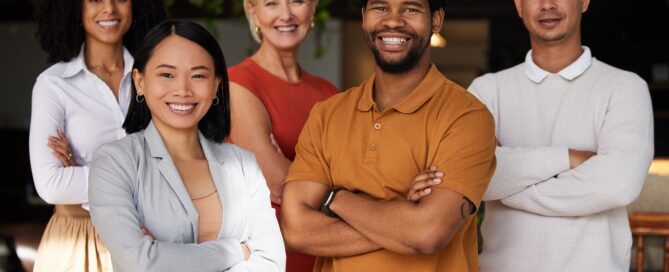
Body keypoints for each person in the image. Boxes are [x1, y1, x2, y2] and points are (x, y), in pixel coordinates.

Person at [280, 0, 497, 270]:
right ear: (363, 17)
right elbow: (297, 230)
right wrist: (403, 217)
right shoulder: (327, 114)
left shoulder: (466, 116)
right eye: (381, 8)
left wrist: (333, 198)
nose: (393, 21)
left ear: (436, 20)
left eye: (410, 9)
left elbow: (426, 233)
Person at [466, 0, 654, 270]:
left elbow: (618, 185)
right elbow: (471, 175)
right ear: (519, 5)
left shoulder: (625, 88)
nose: (547, 5)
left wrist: (506, 185)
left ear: (585, 2)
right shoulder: (486, 92)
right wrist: (568, 157)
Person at [88, 20, 286, 271]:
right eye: (167, 74)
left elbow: (271, 262)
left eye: (198, 75)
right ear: (139, 82)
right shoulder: (114, 162)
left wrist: (164, 255)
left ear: (216, 85)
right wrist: (236, 249)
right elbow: (140, 263)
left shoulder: (244, 164)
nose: (182, 89)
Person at [28, 0, 164, 270]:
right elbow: (51, 185)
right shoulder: (53, 85)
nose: (109, 9)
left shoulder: (158, 77)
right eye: (95, 0)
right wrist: (140, 176)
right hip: (78, 244)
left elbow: (180, 163)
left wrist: (84, 174)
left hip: (151, 239)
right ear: (75, 8)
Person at [228, 0, 338, 270]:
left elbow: (359, 176)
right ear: (252, 10)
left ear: (312, 8)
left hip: (328, 254)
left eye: (297, 2)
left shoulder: (329, 94)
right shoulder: (237, 84)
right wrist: (338, 189)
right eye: (272, 3)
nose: (286, 15)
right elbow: (276, 182)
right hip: (270, 257)